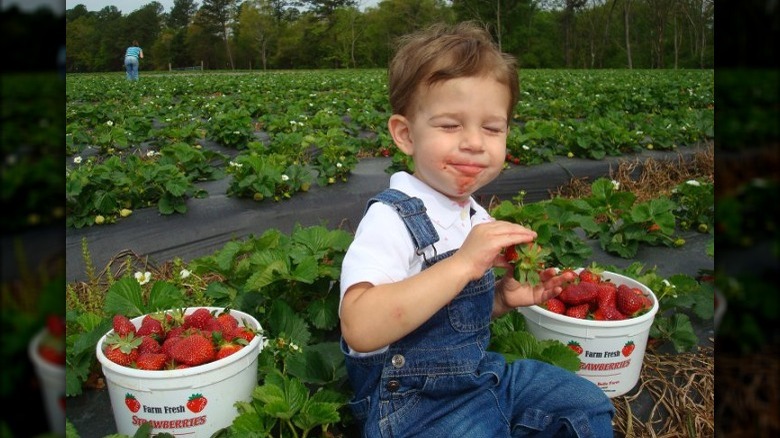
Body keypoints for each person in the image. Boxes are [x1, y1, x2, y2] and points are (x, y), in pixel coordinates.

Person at [338, 22, 615, 437]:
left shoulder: (474, 217)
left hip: (478, 377)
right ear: (405, 134)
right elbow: (360, 328)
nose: (474, 142)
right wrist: (464, 264)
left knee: (584, 403)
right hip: (410, 404)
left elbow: (455, 321)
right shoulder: (392, 218)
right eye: (450, 125)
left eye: (492, 128)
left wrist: (501, 299)